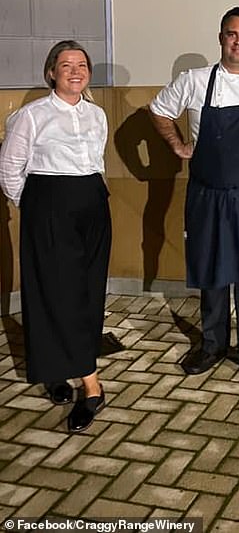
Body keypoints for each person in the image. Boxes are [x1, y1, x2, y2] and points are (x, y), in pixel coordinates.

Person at [150, 7, 239, 388]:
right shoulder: (195, 81)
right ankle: (212, 345)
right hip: (207, 195)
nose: (238, 42)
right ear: (220, 38)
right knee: (213, 272)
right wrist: (177, 144)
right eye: (232, 34)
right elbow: (159, 111)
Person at [0, 41, 111, 432]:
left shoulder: (97, 115)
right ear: (51, 72)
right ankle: (89, 385)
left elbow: (96, 160)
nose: (75, 71)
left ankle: (64, 366)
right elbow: (11, 167)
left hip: (93, 203)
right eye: (66, 65)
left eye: (82, 64)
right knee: (53, 291)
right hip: (49, 205)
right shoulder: (32, 116)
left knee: (87, 290)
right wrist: (33, 208)